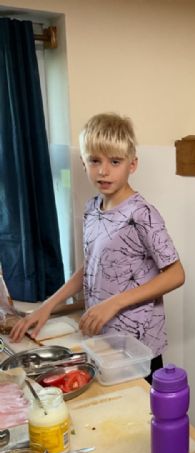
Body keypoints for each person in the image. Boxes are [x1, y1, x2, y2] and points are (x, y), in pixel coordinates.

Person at [10, 113, 185, 383]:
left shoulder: (142, 213)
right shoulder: (92, 209)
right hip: (101, 336)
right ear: (84, 162)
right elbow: (92, 265)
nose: (103, 171)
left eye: (115, 161)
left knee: (139, 405)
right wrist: (48, 305)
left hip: (137, 345)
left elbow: (176, 274)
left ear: (132, 164)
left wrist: (114, 303)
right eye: (94, 160)